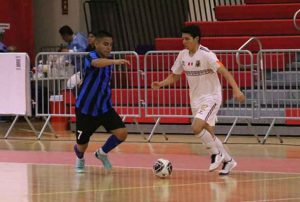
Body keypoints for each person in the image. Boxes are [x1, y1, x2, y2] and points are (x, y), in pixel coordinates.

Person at [152, 25, 245, 176]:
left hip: (211, 97)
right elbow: (175, 76)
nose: (183, 41)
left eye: (187, 39)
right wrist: (161, 83)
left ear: (196, 39)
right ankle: (228, 161)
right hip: (195, 99)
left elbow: (224, 71)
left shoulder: (207, 54)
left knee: (196, 127)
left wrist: (236, 89)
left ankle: (216, 155)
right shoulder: (182, 55)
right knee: (207, 130)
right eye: (182, 38)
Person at [73, 30, 130, 173]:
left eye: (110, 45)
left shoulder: (108, 59)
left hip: (104, 107)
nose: (109, 47)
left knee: (122, 133)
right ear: (96, 44)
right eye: (105, 44)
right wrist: (115, 61)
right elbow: (97, 63)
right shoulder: (90, 56)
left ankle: (102, 153)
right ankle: (80, 158)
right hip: (86, 108)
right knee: (82, 145)